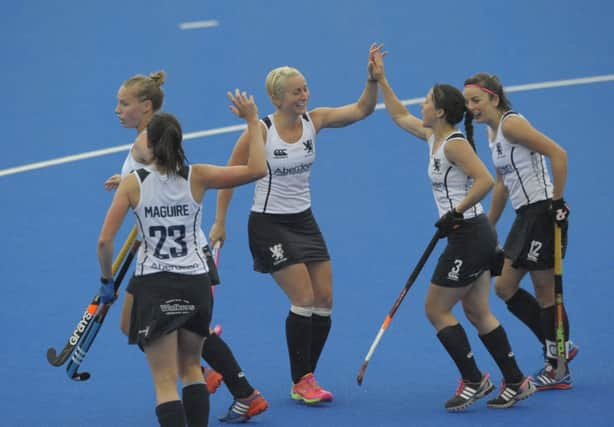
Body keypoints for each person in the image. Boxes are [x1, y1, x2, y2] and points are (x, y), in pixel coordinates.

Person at [208, 44, 381, 404]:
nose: (304, 95)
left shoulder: (314, 121)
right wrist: (220, 222)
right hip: (269, 224)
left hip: (304, 220)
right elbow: (227, 176)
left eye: (305, 89)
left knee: (325, 299)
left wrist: (372, 80)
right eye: (296, 91)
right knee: (303, 297)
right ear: (277, 97)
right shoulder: (259, 132)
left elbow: (363, 109)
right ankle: (301, 379)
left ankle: (306, 377)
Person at [369, 48, 535, 410]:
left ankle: (475, 381)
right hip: (467, 233)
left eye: (427, 101)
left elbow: (485, 180)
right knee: (477, 312)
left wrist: (453, 213)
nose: (421, 105)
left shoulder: (455, 144)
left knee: (436, 309)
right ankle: (516, 380)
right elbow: (398, 115)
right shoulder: (433, 137)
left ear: (440, 111)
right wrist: (381, 80)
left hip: (468, 235)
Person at [105, 72, 268, 422]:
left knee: (166, 376)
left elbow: (109, 236)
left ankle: (241, 388)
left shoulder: (138, 169)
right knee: (178, 355)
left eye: (123, 103)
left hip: (158, 272)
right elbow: (255, 168)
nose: (117, 109)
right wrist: (253, 121)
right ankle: (231, 385)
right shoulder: (193, 172)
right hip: (192, 275)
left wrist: (107, 278)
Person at [463, 73, 576, 390]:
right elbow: (501, 183)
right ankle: (560, 345)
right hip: (524, 216)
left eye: (477, 100)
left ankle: (558, 368)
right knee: (505, 286)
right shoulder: (491, 133)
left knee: (544, 292)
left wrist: (558, 201)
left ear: (494, 99)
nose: (471, 107)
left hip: (542, 212)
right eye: (468, 102)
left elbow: (559, 154)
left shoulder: (512, 124)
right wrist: (489, 226)